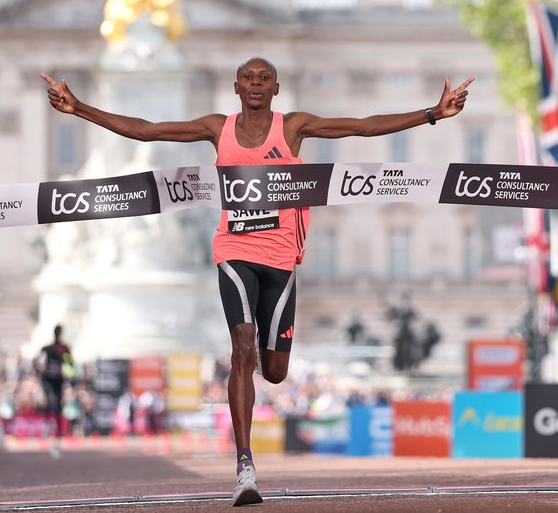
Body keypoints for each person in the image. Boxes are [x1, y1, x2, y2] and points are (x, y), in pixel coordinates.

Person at [42, 57, 472, 506]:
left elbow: (362, 126)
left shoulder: (293, 128)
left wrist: (431, 114)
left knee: (275, 370)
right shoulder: (216, 128)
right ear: (235, 86)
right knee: (241, 351)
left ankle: (265, 377)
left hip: (282, 258)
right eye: (248, 78)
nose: (255, 84)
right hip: (233, 250)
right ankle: (245, 463)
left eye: (264, 79)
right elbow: (147, 130)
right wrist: (80, 109)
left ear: (276, 88)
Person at [36, 324, 73, 457]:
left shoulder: (64, 349)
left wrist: (67, 369)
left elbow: (70, 364)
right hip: (48, 379)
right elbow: (38, 362)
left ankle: (56, 434)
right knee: (49, 401)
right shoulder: (47, 348)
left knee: (57, 406)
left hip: (58, 380)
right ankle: (48, 425)